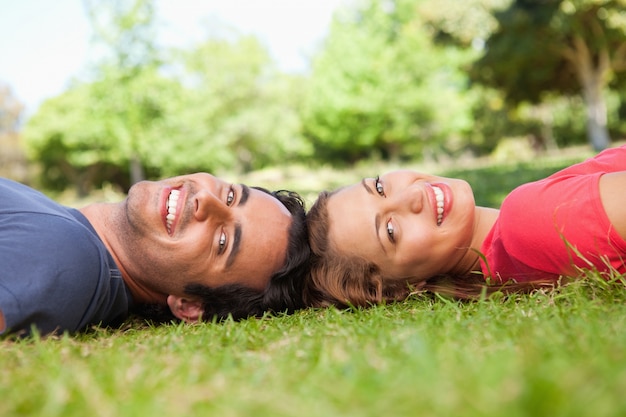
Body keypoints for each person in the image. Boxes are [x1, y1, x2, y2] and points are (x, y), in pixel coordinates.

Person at [304, 145, 626, 308]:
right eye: (390, 230)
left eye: (378, 186)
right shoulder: (525, 219)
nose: (412, 195)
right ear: (405, 287)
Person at [0, 173, 309, 336]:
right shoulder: (69, 234)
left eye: (223, 241)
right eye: (230, 195)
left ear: (189, 305)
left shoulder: (65, 258)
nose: (205, 199)